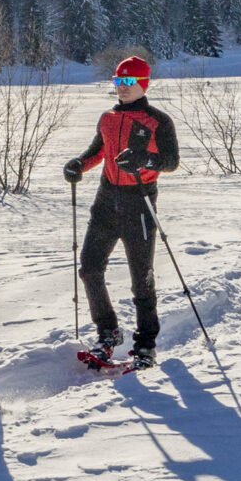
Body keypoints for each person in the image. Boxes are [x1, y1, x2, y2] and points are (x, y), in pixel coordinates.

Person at [61, 55, 180, 368]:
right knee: (89, 267)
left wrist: (144, 159)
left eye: (129, 82)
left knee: (142, 278)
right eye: (118, 81)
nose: (123, 87)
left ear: (144, 83)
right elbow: (98, 151)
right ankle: (108, 331)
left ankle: (145, 345)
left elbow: (170, 161)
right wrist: (79, 165)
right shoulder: (108, 117)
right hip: (106, 200)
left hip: (139, 201)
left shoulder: (158, 120)